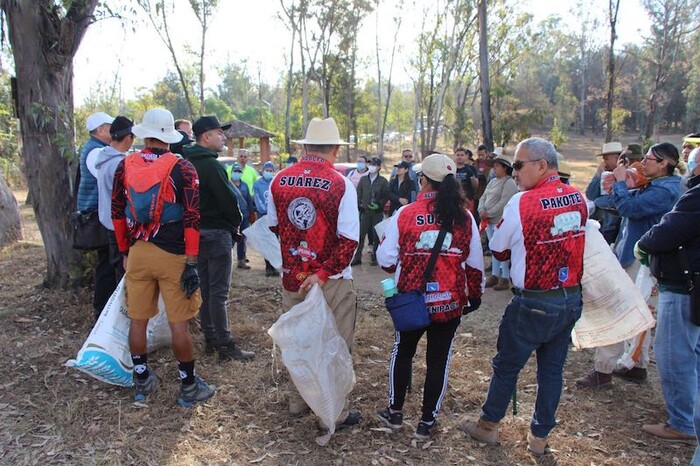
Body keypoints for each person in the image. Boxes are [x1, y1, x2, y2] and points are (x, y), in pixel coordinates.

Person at [461, 137, 587, 457]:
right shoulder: (579, 198)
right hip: (569, 298)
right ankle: (539, 438)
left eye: (518, 165)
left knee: (507, 366)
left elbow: (500, 248)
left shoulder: (522, 202)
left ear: (542, 165)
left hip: (533, 300)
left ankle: (488, 426)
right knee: (552, 371)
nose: (514, 173)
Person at [375, 153, 484, 440]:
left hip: (413, 301)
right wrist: (474, 296)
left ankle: (395, 412)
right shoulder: (465, 218)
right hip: (449, 304)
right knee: (438, 360)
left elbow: (385, 258)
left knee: (403, 352)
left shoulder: (406, 214)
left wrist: (403, 265)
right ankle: (427, 421)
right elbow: (474, 264)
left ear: (423, 181)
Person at [111, 108, 214, 406]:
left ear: (145, 134)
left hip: (139, 251)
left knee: (138, 320)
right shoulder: (183, 168)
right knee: (178, 325)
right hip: (174, 255)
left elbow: (117, 212)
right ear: (169, 136)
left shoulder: (125, 165)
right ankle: (189, 386)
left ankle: (141, 379)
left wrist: (124, 252)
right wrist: (192, 261)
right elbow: (193, 217)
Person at [267, 117, 361, 432]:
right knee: (335, 343)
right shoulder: (340, 184)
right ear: (334, 149)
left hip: (294, 276)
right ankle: (334, 412)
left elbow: (273, 226)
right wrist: (321, 273)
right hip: (331, 281)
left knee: (298, 341)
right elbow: (349, 241)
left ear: (306, 147)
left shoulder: (279, 179)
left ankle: (298, 401)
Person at [577, 143, 682, 388]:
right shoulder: (654, 185)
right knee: (638, 310)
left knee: (616, 308)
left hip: (641, 260)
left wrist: (622, 182)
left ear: (664, 163)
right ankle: (637, 365)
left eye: (648, 159)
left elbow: (630, 208)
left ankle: (603, 369)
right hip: (634, 253)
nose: (642, 162)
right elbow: (613, 203)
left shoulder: (666, 190)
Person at [635, 147, 700, 445]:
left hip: (683, 286)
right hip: (689, 284)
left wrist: (644, 244)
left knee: (675, 354)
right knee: (690, 352)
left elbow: (667, 230)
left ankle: (682, 422)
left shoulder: (695, 196)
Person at [183, 115, 254, 362]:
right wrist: (236, 221)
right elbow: (227, 201)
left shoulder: (186, 162)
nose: (223, 137)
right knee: (219, 292)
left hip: (195, 235)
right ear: (205, 137)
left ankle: (210, 338)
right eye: (218, 133)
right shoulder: (212, 166)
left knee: (205, 289)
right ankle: (225, 344)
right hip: (216, 233)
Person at [87, 116, 134, 283]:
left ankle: (105, 307)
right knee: (125, 275)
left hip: (109, 223)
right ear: (128, 138)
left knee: (111, 271)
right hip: (119, 227)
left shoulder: (104, 159)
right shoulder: (118, 164)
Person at [78, 111, 115, 320]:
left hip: (98, 213)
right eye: (110, 128)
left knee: (108, 263)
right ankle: (102, 311)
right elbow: (107, 177)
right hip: (97, 215)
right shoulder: (95, 152)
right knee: (107, 264)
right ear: (100, 130)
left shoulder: (97, 148)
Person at [478, 154, 518, 291]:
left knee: (502, 250)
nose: (494, 168)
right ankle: (495, 275)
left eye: (497, 166)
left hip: (500, 221)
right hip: (489, 221)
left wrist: (488, 212)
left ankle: (505, 277)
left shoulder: (509, 183)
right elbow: (483, 196)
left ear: (504, 168)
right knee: (493, 248)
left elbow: (504, 202)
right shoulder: (493, 181)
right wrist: (481, 209)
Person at [353, 156, 389, 266]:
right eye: (371, 164)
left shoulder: (383, 181)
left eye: (374, 165)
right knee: (361, 235)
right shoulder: (363, 180)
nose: (372, 166)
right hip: (365, 212)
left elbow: (386, 195)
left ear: (379, 167)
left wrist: (379, 205)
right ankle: (357, 257)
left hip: (377, 212)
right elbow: (358, 193)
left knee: (376, 235)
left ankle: (375, 256)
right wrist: (359, 205)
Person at [585, 142, 623, 245]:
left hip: (613, 226)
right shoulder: (604, 174)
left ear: (617, 158)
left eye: (606, 159)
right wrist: (598, 175)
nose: (604, 162)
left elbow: (617, 200)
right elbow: (590, 194)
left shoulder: (625, 175)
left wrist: (598, 202)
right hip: (601, 223)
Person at [254, 161, 279, 277]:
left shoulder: (275, 183)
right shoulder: (257, 184)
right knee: (265, 241)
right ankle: (268, 267)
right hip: (263, 216)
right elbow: (258, 200)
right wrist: (265, 212)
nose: (268, 172)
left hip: (275, 217)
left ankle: (274, 265)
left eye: (270, 170)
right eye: (267, 170)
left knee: (274, 241)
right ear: (263, 170)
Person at [230, 162, 256, 270]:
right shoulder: (227, 184)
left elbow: (249, 199)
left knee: (242, 238)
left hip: (244, 215)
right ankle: (227, 259)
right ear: (231, 172)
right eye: (235, 171)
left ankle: (241, 259)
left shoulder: (244, 185)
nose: (237, 173)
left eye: (239, 171)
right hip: (232, 216)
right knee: (231, 239)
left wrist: (252, 211)